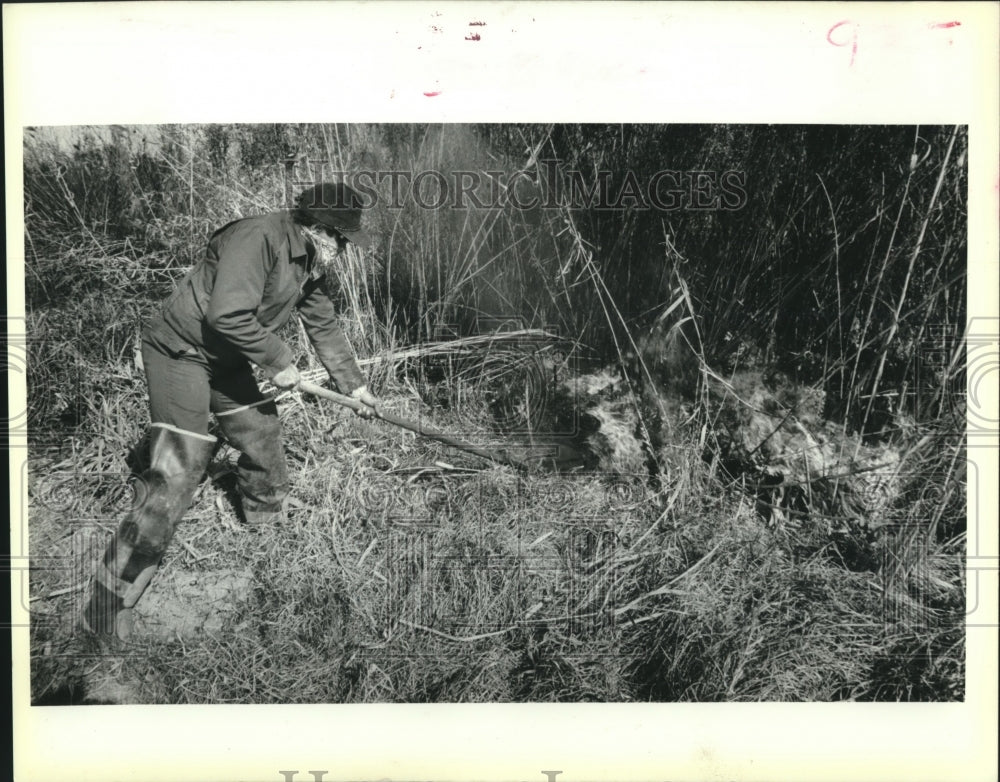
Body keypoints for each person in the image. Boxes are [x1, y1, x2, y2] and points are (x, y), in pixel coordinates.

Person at [82, 182, 380, 642]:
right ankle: (104, 606)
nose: (343, 250)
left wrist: (355, 387)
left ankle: (266, 523)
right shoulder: (257, 238)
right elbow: (227, 316)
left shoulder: (309, 263)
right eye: (341, 239)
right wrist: (280, 362)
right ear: (320, 229)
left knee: (260, 431)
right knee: (177, 470)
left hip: (226, 358)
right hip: (180, 351)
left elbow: (323, 324)